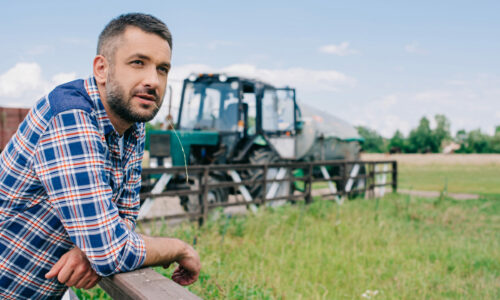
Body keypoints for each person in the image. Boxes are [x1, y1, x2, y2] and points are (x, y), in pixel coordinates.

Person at [0, 13, 200, 299]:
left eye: (163, 69)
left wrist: (88, 250)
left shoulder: (132, 125)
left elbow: (125, 215)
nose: (152, 80)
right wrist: (181, 248)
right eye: (138, 63)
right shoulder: (71, 117)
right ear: (102, 69)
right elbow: (110, 250)